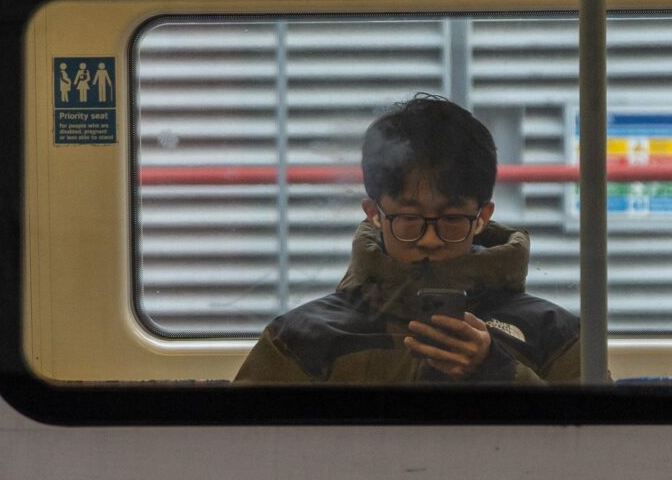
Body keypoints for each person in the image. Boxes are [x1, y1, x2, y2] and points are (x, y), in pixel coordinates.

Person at [234, 94, 585, 385]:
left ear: (482, 217)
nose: (429, 240)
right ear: (374, 214)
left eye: (451, 220)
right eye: (409, 219)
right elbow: (246, 443)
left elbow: (592, 439)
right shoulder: (301, 340)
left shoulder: (552, 332)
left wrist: (498, 370)